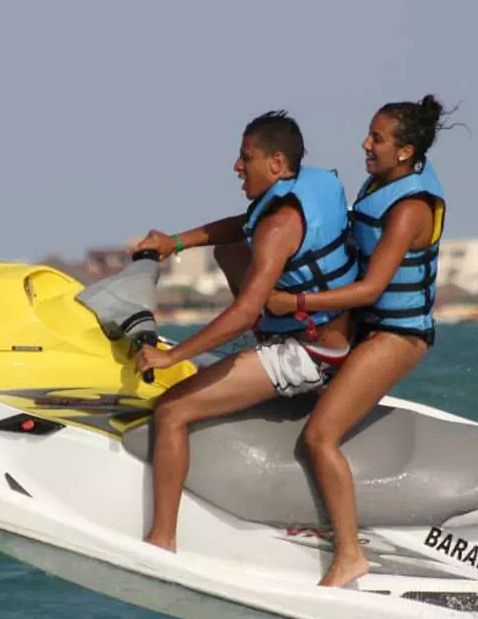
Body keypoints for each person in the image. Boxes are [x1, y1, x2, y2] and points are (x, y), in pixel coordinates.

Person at [133, 111, 358, 561]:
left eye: (245, 157)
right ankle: (259, 355)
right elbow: (241, 224)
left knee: (172, 410)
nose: (237, 166)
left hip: (308, 354)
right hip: (317, 334)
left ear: (276, 163)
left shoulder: (279, 227)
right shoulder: (296, 193)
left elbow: (242, 313)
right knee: (229, 247)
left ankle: (162, 541)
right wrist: (174, 242)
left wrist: (172, 356)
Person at [265, 95, 448, 587]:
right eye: (370, 133)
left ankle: (350, 555)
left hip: (398, 335)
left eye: (378, 138)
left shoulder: (409, 208)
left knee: (320, 435)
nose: (366, 144)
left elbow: (372, 288)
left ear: (406, 151)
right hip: (365, 325)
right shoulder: (382, 182)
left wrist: (295, 303)